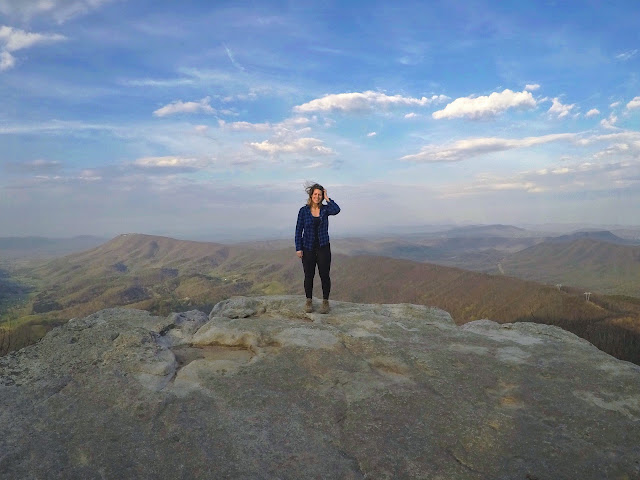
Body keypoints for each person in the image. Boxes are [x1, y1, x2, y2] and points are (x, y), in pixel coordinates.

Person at [295, 182, 340, 313]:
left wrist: (328, 197)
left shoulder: (326, 209)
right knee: (308, 275)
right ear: (311, 195)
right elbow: (298, 230)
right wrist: (299, 248)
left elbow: (336, 210)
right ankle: (309, 301)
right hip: (307, 247)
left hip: (323, 247)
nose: (317, 196)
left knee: (324, 275)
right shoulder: (303, 211)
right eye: (315, 194)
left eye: (320, 194)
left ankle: (325, 302)